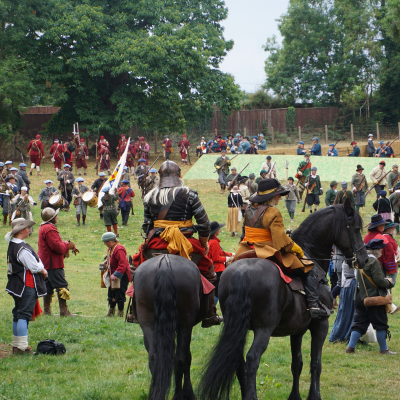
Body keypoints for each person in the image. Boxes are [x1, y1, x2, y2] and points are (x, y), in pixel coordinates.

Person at [135, 160, 222, 328]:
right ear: (180, 175)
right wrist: (204, 244)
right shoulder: (190, 194)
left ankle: (134, 310)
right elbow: (204, 224)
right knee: (209, 271)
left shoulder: (149, 196)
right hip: (186, 244)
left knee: (137, 268)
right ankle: (210, 313)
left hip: (156, 244)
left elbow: (147, 226)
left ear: (160, 177)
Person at [235, 178, 327, 318]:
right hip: (267, 250)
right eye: (278, 194)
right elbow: (281, 242)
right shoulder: (273, 212)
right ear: (271, 196)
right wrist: (298, 249)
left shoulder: (248, 209)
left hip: (246, 249)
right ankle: (314, 306)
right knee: (310, 268)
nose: (279, 197)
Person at [346, 239, 395, 355]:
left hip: (359, 297)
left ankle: (350, 347)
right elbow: (379, 280)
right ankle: (384, 349)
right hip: (373, 299)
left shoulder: (360, 261)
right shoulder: (374, 262)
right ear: (377, 250)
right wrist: (389, 282)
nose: (382, 251)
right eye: (380, 249)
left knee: (359, 324)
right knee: (381, 324)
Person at [5, 218, 47, 354]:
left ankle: (17, 345)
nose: (29, 230)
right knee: (23, 315)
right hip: (26, 285)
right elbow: (34, 266)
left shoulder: (14, 244)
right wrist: (43, 270)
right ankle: (22, 347)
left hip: (17, 285)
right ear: (21, 230)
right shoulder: (21, 248)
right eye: (27, 228)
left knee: (18, 314)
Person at [38, 207, 79, 316]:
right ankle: (64, 311)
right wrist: (67, 244)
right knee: (61, 285)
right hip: (53, 263)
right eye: (55, 215)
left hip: (46, 262)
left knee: (48, 286)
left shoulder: (44, 227)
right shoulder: (49, 229)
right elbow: (57, 247)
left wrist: (64, 243)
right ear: (51, 218)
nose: (57, 217)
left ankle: (47, 311)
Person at [101, 232, 131, 317]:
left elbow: (123, 264)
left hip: (121, 275)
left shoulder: (119, 249)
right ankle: (111, 312)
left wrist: (116, 274)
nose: (104, 244)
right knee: (111, 294)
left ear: (110, 241)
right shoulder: (111, 248)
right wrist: (106, 262)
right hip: (113, 274)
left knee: (120, 294)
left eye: (105, 242)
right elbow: (111, 258)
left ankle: (120, 313)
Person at [329, 260, 356, 342]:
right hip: (350, 286)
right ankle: (344, 335)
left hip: (345, 285)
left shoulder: (346, 260)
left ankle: (340, 335)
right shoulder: (351, 260)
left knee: (344, 312)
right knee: (348, 313)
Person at [208, 221, 233, 304]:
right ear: (215, 231)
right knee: (217, 291)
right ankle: (212, 308)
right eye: (219, 229)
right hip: (217, 269)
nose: (220, 230)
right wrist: (228, 259)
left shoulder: (213, 241)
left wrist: (233, 254)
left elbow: (220, 252)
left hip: (215, 268)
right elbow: (216, 258)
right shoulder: (214, 242)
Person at [383, 220, 399, 289]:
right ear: (389, 230)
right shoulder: (387, 238)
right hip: (389, 269)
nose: (395, 228)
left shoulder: (389, 237)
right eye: (393, 227)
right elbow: (390, 254)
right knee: (388, 287)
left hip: (393, 265)